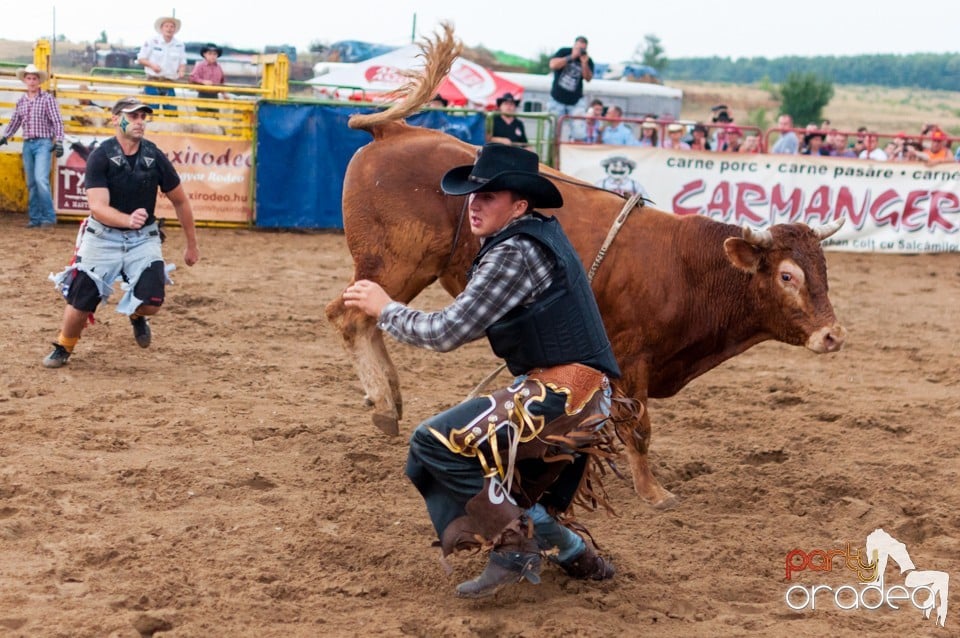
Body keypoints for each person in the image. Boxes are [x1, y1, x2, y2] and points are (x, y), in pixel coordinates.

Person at [342, 143, 620, 598]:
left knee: (434, 443)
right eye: (473, 194)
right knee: (503, 492)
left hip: (565, 396)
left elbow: (446, 332)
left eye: (489, 195)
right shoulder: (538, 234)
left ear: (520, 205)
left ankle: (515, 551)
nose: (474, 203)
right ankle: (578, 558)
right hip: (581, 392)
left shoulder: (513, 253)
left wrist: (385, 307)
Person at [42, 97, 200, 369]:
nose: (139, 122)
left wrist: (192, 245)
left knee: (152, 301)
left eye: (143, 117)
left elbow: (180, 200)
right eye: (133, 116)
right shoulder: (101, 155)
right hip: (102, 236)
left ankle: (138, 315)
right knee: (81, 301)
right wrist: (127, 220)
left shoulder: (153, 155)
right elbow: (98, 207)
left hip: (143, 238)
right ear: (115, 119)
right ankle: (64, 346)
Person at [0, 63, 65, 229]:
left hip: (43, 142)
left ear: (39, 81)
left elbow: (56, 120)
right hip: (28, 143)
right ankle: (36, 218)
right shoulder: (21, 101)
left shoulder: (47, 99)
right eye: (28, 78)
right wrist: (6, 136)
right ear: (25, 80)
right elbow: (16, 120)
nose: (31, 81)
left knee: (40, 180)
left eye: (34, 78)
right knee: (32, 182)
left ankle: (48, 217)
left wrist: (58, 140)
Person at [136, 15, 187, 105]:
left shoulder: (179, 44)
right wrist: (152, 65)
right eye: (166, 26)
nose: (169, 29)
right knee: (151, 111)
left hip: (169, 82)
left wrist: (181, 71)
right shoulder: (152, 41)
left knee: (171, 113)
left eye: (172, 26)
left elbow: (182, 62)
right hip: (153, 81)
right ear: (161, 28)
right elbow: (141, 58)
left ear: (175, 29)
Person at [547, 36, 594, 126]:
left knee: (579, 131)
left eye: (583, 49)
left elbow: (588, 78)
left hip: (575, 101)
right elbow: (553, 65)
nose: (580, 51)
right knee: (552, 129)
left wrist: (584, 63)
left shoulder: (588, 60)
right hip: (557, 98)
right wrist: (572, 56)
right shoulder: (564, 52)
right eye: (578, 48)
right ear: (574, 45)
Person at [189, 42, 226, 108]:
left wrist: (224, 94)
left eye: (215, 54)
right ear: (204, 54)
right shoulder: (200, 66)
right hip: (203, 95)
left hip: (215, 95)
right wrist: (203, 81)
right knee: (202, 115)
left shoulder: (219, 67)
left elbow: (222, 82)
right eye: (210, 54)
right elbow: (192, 77)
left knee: (215, 115)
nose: (212, 56)